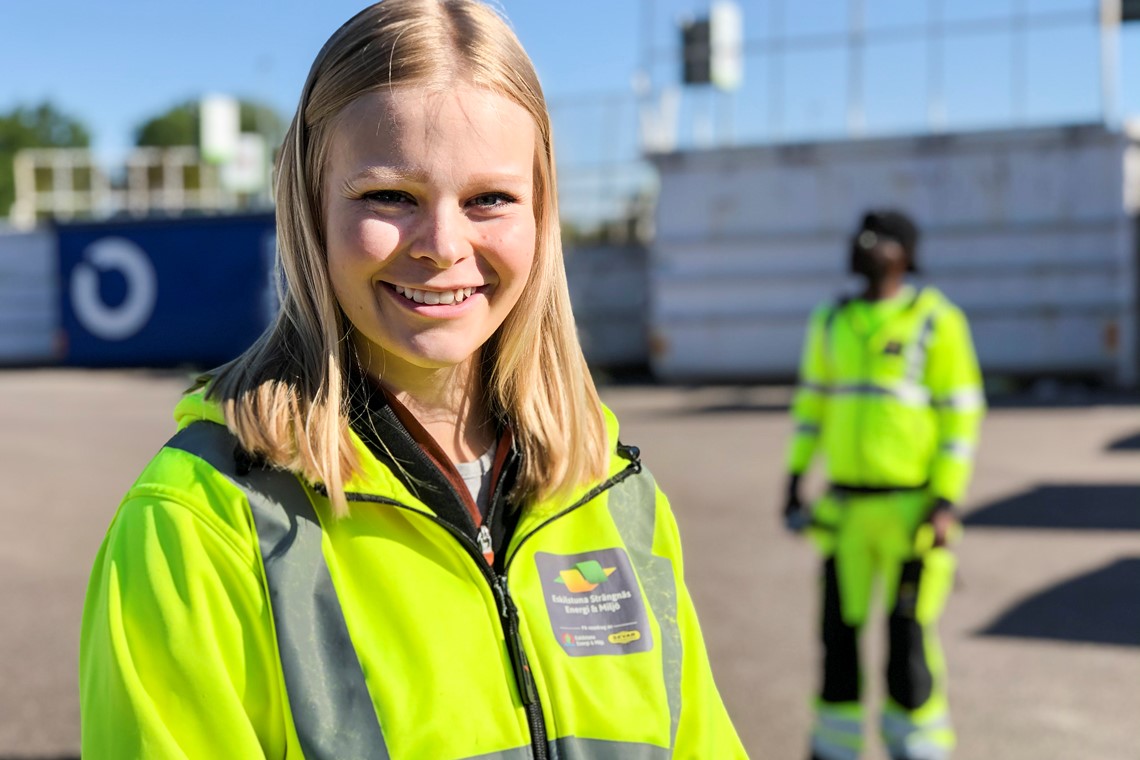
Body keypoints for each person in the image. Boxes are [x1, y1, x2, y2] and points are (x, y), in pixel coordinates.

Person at [79, 2, 746, 758]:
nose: (442, 245)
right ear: (310, 205)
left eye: (489, 199)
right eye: (389, 196)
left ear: (541, 213)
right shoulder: (197, 526)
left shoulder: (616, 496)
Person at [782, 210, 985, 760]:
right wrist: (796, 477)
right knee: (838, 643)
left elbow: (961, 417)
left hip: (912, 517)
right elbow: (811, 407)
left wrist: (945, 498)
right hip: (844, 516)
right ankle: (835, 747)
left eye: (883, 239)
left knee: (907, 643)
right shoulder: (831, 320)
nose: (867, 246)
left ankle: (918, 747)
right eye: (862, 236)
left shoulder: (935, 321)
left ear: (908, 254)